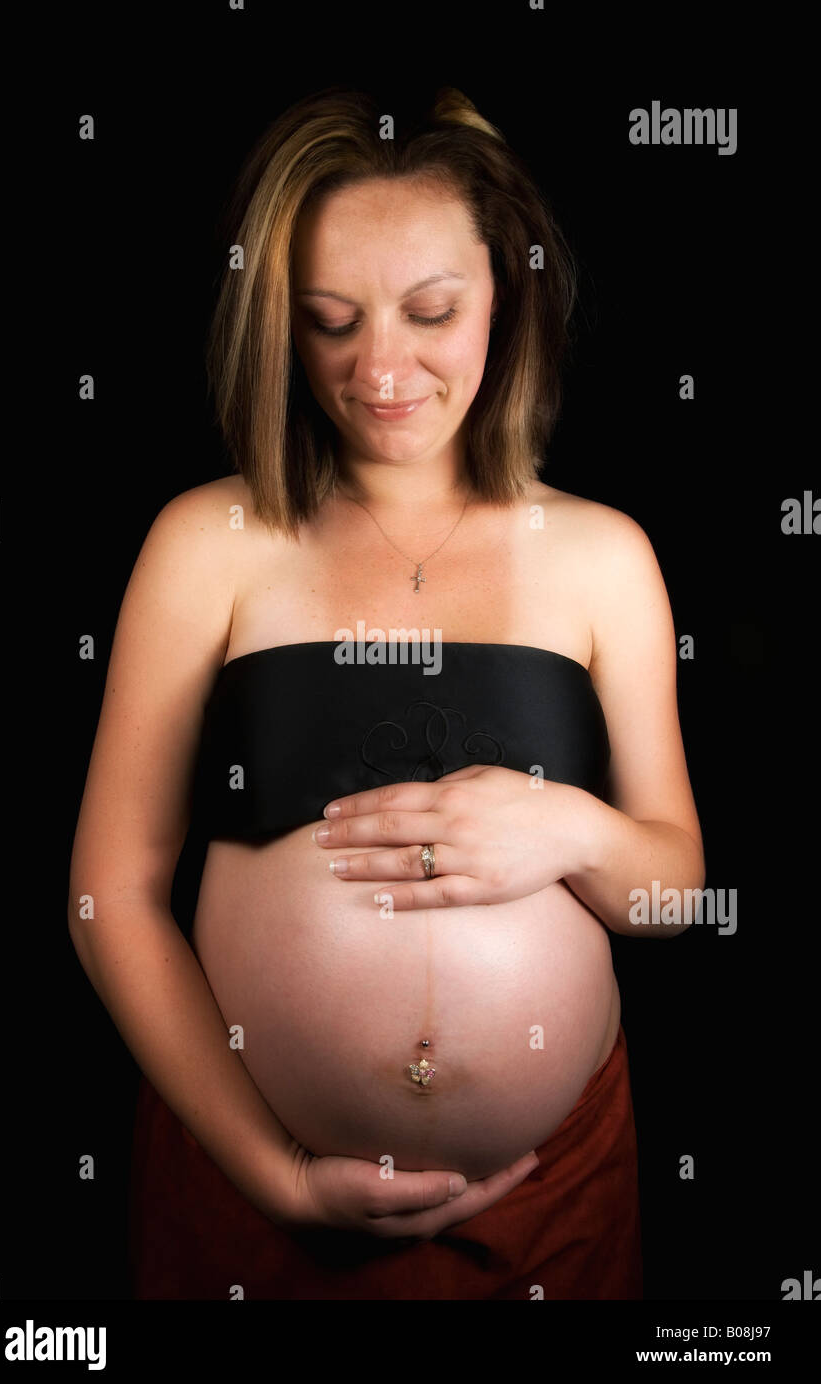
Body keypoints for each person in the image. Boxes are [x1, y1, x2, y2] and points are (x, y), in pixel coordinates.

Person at [68, 85, 704, 1300]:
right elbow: (109, 893)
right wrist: (271, 1172)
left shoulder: (603, 554)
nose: (380, 370)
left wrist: (570, 827)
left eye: (429, 312)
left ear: (503, 298)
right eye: (328, 321)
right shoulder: (210, 540)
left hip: (550, 1203)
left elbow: (675, 893)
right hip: (249, 1201)